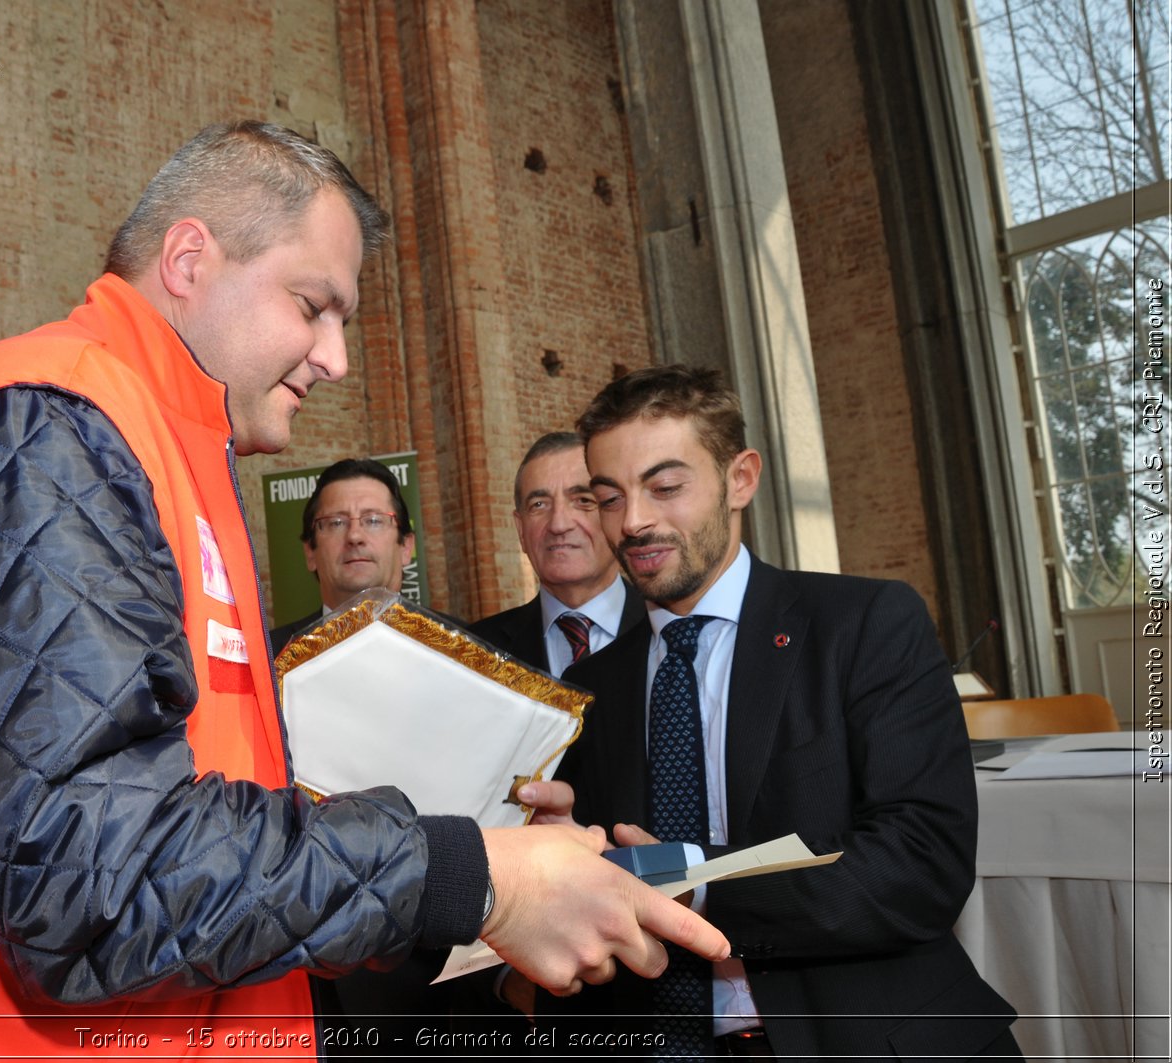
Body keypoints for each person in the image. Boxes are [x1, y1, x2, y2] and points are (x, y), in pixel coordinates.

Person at [0, 121, 727, 1059]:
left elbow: (170, 805)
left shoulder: (164, 448)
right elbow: (83, 880)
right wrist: (469, 876)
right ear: (190, 259)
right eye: (311, 305)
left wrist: (479, 842)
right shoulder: (45, 436)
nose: (331, 358)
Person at [542, 365, 1021, 1058]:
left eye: (666, 486)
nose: (634, 520)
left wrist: (694, 886)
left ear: (741, 478)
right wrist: (562, 855)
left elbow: (922, 866)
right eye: (609, 496)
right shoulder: (589, 685)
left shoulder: (863, 624)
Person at [470, 431, 642, 677]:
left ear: (615, 512)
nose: (559, 524)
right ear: (520, 529)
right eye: (539, 505)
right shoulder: (476, 652)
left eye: (583, 500)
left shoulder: (670, 627)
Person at [269, 457, 428, 653]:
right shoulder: (268, 658)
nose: (354, 536)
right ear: (310, 551)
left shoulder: (460, 647)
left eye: (374, 520)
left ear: (406, 547)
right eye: (336, 522)